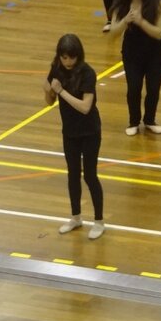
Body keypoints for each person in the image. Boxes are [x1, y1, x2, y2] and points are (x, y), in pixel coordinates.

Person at [43, 34, 105, 240]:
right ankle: (76, 217)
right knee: (73, 174)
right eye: (64, 58)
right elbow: (49, 101)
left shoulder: (88, 73)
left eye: (72, 57)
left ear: (79, 55)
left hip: (90, 132)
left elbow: (85, 107)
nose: (68, 62)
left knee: (90, 175)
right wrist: (48, 91)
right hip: (69, 131)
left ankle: (99, 221)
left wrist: (60, 91)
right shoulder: (57, 69)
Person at [109, 0, 161, 136]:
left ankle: (150, 120)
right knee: (134, 88)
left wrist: (141, 21)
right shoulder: (122, 5)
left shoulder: (158, 4)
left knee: (153, 89)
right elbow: (113, 32)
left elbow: (159, 33)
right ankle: (133, 121)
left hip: (156, 53)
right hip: (132, 52)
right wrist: (126, 21)